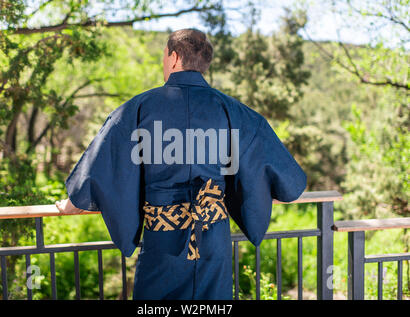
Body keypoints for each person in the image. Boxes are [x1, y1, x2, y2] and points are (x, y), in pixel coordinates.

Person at [55, 28, 307, 300]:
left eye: (164, 56)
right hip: (213, 238)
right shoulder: (234, 111)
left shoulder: (137, 109)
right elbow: (287, 183)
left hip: (163, 239)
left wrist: (74, 202)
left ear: (174, 57)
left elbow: (102, 165)